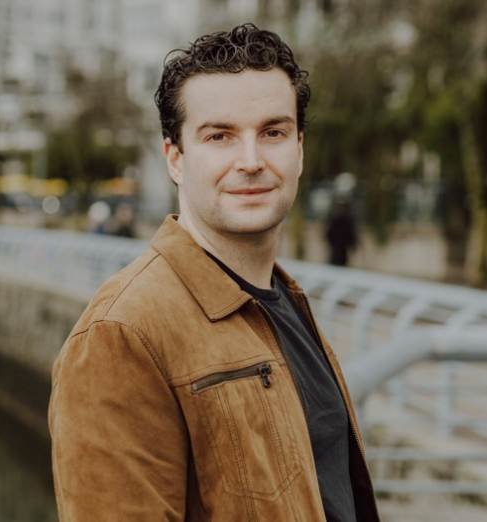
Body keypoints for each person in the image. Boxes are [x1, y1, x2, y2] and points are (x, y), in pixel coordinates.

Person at [49, 23, 380, 521]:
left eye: (272, 132)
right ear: (175, 159)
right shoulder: (121, 334)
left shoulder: (284, 299)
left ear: (299, 149)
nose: (251, 161)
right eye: (219, 136)